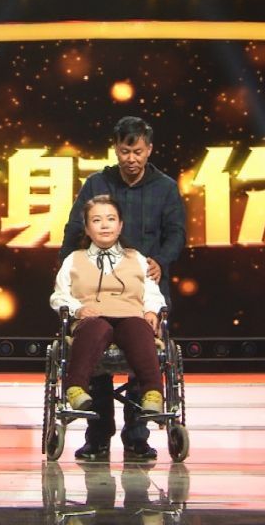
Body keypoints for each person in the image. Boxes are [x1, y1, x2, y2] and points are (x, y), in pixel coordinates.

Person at [58, 116, 186, 462]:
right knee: (95, 349)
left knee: (142, 350)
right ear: (116, 149)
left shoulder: (165, 187)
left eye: (138, 152)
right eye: (125, 151)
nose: (131, 159)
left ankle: (137, 437)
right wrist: (68, 270)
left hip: (143, 285)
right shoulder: (97, 183)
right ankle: (98, 436)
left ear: (149, 150)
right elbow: (74, 228)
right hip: (96, 287)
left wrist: (161, 261)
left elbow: (176, 233)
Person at [51, 195, 167, 429]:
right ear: (87, 228)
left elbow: (151, 292)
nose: (104, 225)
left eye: (111, 219)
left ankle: (153, 393)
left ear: (120, 225)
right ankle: (75, 388)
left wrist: (151, 311)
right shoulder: (74, 259)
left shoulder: (137, 258)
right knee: (96, 327)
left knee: (138, 328)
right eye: (96, 220)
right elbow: (59, 296)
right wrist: (78, 309)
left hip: (130, 315)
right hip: (91, 318)